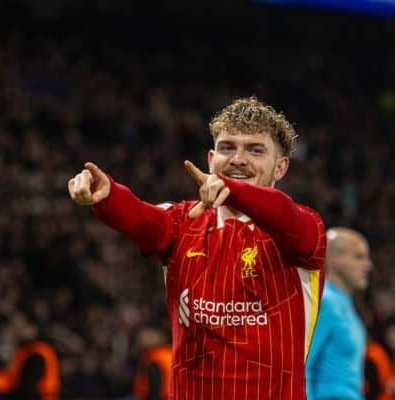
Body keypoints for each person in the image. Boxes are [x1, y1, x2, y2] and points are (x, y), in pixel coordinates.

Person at [68, 96, 327, 399]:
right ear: (210, 158)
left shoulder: (307, 228)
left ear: (281, 167)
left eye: (255, 150)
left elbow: (284, 214)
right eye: (227, 147)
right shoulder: (182, 222)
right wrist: (109, 195)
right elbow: (141, 217)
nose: (238, 159)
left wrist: (235, 192)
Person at [306, 227, 372, 400]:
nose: (368, 265)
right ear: (333, 259)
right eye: (358, 257)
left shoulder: (345, 305)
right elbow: (301, 368)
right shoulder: (326, 303)